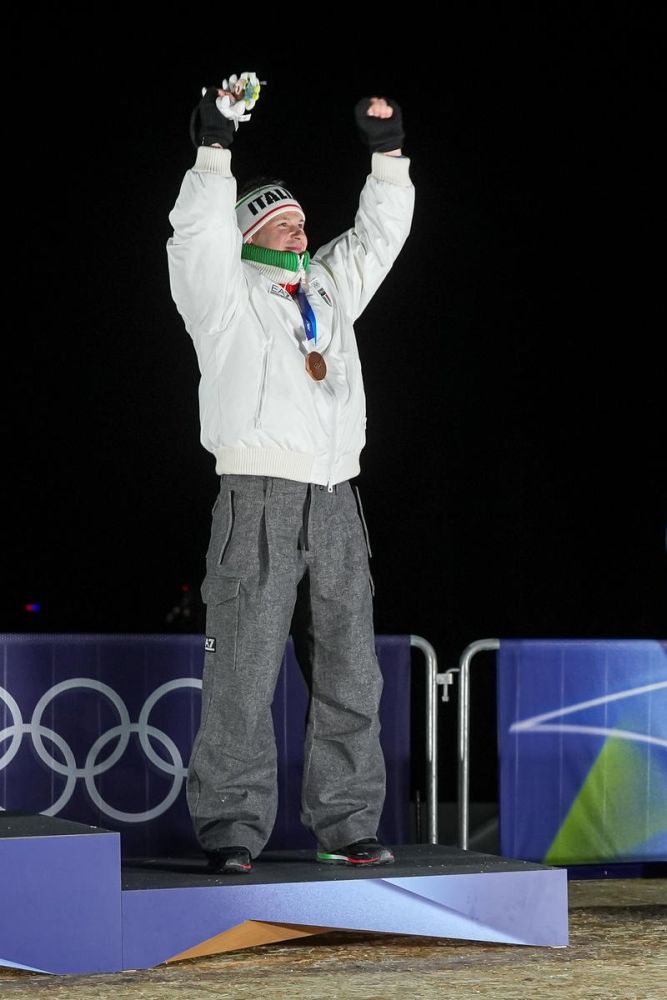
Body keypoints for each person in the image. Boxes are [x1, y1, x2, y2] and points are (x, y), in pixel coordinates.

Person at [166, 73, 414, 874]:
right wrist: (214, 147)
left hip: (337, 497)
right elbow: (195, 237)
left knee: (350, 674)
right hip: (257, 495)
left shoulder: (326, 289)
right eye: (282, 219)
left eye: (303, 217)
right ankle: (232, 829)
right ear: (250, 233)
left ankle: (347, 824)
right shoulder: (223, 298)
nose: (301, 225)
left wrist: (386, 155)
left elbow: (377, 239)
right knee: (243, 673)